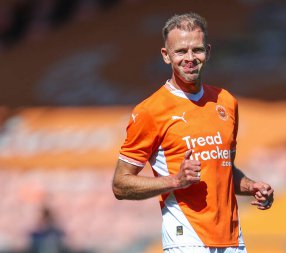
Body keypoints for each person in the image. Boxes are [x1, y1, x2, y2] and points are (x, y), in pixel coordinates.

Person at [112, 13, 274, 253]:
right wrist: (176, 181)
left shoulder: (226, 102)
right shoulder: (149, 111)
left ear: (207, 51)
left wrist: (252, 186)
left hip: (233, 240)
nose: (190, 58)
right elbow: (120, 184)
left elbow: (224, 169)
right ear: (166, 56)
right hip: (186, 239)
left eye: (196, 50)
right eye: (181, 51)